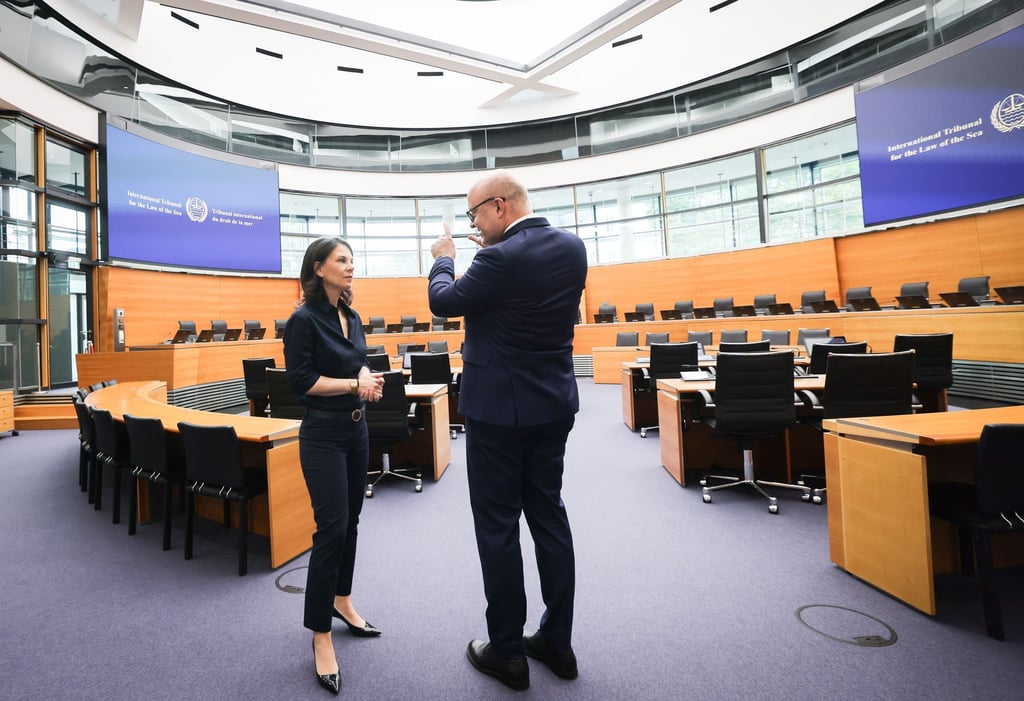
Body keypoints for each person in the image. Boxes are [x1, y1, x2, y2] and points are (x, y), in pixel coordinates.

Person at [428, 170, 588, 691]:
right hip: (552, 407)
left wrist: (445, 258)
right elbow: (519, 291)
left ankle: (508, 652)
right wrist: (489, 249)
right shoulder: (572, 248)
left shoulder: (495, 260)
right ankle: (558, 644)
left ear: (499, 206)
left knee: (497, 527)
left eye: (475, 213)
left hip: (497, 413)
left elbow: (444, 302)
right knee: (549, 516)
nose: (474, 222)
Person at [283, 236, 386, 696]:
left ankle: (342, 600)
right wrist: (352, 383)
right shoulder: (302, 320)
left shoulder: (352, 315)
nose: (350, 267)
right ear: (319, 268)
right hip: (322, 434)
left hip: (356, 431)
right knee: (332, 528)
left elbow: (358, 362)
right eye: (342, 261)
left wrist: (364, 376)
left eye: (351, 260)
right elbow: (302, 382)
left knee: (354, 523)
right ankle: (320, 634)